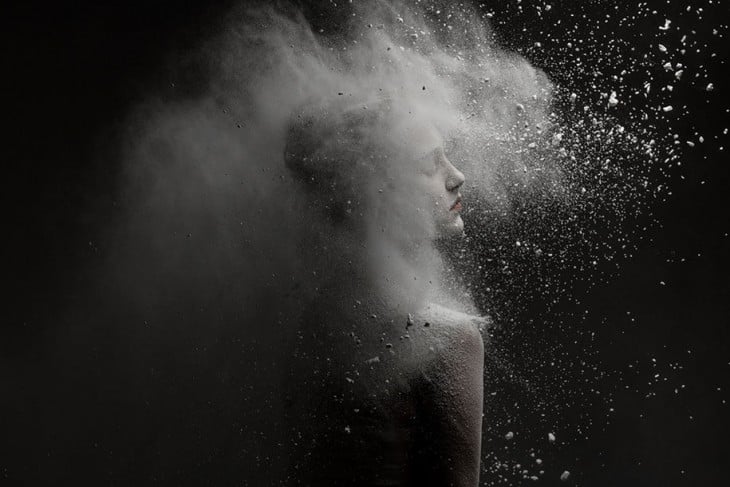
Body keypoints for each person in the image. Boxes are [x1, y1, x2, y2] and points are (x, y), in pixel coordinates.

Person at [282, 97, 487, 487]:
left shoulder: (314, 323)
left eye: (447, 157)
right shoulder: (447, 338)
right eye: (429, 164)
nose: (456, 175)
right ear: (376, 191)